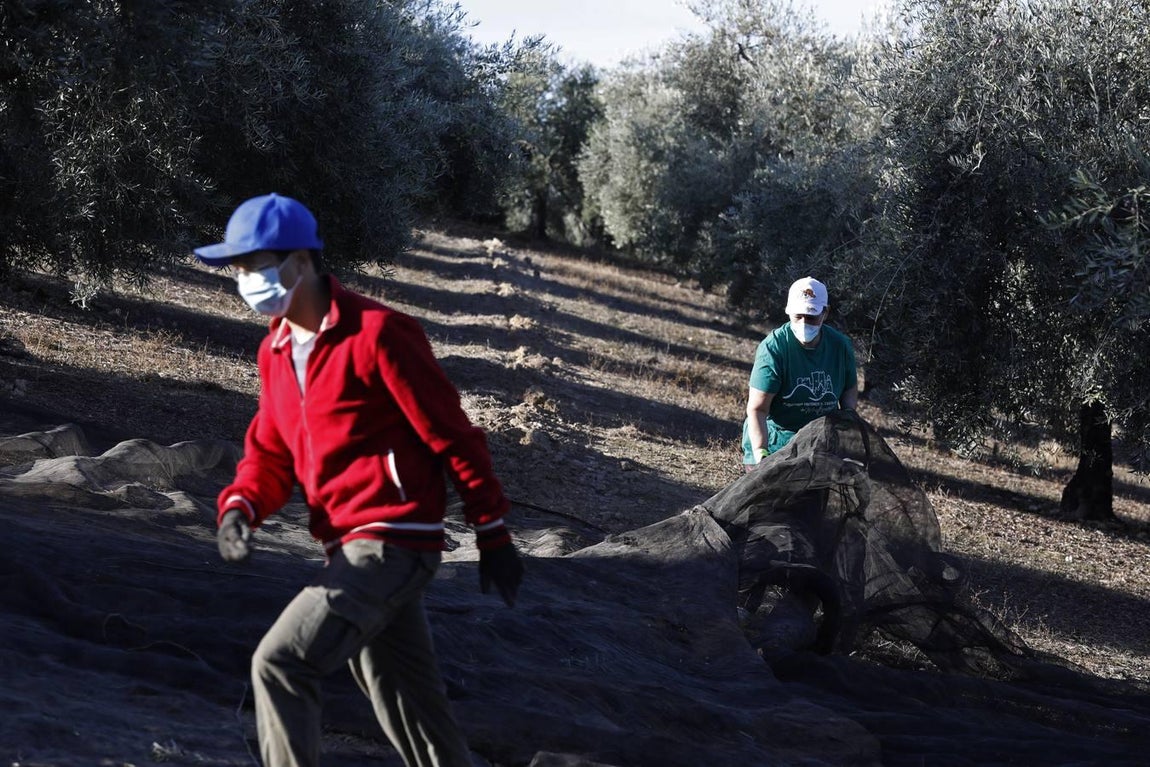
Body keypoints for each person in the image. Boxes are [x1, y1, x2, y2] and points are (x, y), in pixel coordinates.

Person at [195, 193, 523, 767]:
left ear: (300, 261)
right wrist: (239, 507)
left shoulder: (379, 333)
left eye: (253, 264)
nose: (244, 279)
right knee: (409, 706)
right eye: (238, 269)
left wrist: (491, 531)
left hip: (392, 541)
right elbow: (270, 451)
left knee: (281, 662)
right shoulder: (275, 349)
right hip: (346, 545)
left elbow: (452, 435)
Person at [742, 276, 858, 470]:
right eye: (798, 316)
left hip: (819, 443)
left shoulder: (840, 347)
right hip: (775, 441)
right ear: (788, 311)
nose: (804, 323)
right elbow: (757, 409)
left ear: (825, 313)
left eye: (811, 316)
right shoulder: (774, 348)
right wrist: (761, 454)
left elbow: (849, 399)